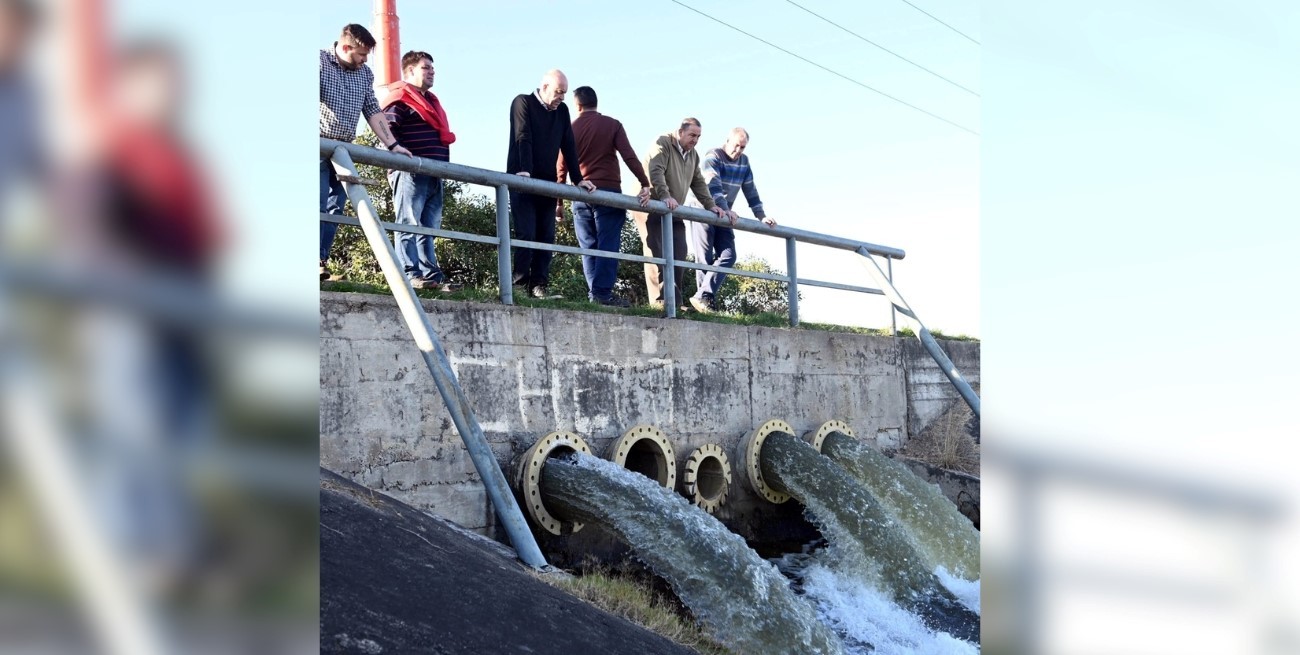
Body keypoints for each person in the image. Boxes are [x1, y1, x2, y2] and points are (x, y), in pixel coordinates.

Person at [319, 23, 410, 281]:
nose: (364, 61)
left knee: (336, 208)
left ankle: (320, 261)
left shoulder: (364, 74)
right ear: (345, 47)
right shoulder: (318, 62)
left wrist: (393, 145)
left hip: (342, 151)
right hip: (317, 145)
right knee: (315, 203)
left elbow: (372, 109)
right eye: (360, 55)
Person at [555, 86, 651, 307]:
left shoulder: (568, 128)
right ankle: (601, 294)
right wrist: (644, 183)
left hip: (579, 195)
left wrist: (558, 202)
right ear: (596, 103)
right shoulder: (612, 125)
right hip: (608, 193)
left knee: (588, 246)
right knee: (608, 243)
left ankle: (595, 294)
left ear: (577, 105)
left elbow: (560, 167)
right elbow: (629, 156)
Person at [506, 69, 595, 299]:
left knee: (546, 236)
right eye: (558, 92)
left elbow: (568, 145)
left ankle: (539, 286)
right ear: (544, 87)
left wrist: (578, 179)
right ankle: (518, 285)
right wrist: (524, 170)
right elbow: (522, 135)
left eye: (564, 93)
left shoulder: (562, 110)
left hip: (547, 182)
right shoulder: (522, 102)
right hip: (522, 179)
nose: (562, 98)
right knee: (525, 233)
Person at [381, 50, 461, 292]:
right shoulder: (400, 98)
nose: (432, 72)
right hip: (410, 171)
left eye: (433, 68)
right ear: (411, 71)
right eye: (426, 67)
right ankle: (409, 272)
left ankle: (430, 274)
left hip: (434, 172)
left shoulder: (431, 102)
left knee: (429, 226)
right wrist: (399, 153)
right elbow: (387, 128)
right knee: (408, 221)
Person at [636, 117, 731, 310]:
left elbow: (698, 183)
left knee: (679, 252)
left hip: (674, 209)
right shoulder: (663, 142)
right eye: (692, 135)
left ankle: (674, 303)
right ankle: (659, 303)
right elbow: (656, 171)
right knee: (657, 253)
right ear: (680, 132)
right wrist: (664, 196)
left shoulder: (693, 155)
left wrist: (710, 205)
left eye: (698, 136)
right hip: (652, 204)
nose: (695, 140)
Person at [686, 127, 778, 313]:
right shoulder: (713, 156)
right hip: (703, 209)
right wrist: (725, 209)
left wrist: (761, 216)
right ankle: (703, 303)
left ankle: (702, 296)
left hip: (724, 213)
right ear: (727, 141)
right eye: (736, 145)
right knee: (704, 258)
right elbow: (714, 186)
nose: (738, 151)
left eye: (742, 147)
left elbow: (750, 190)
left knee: (728, 255)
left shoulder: (744, 162)